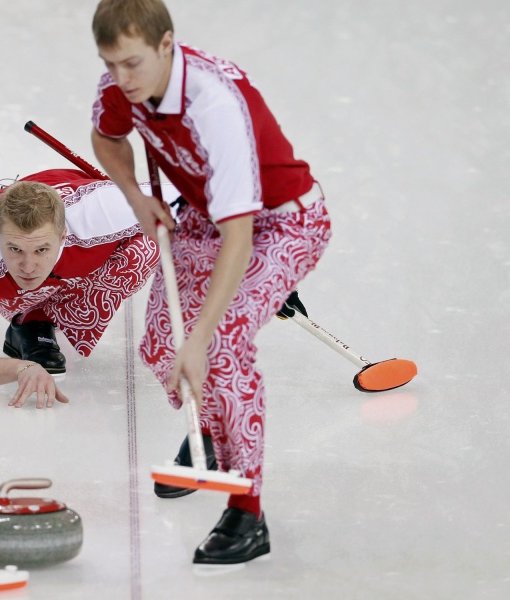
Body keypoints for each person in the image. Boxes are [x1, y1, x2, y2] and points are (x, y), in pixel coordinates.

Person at [90, 0, 332, 566]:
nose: (121, 79)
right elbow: (107, 138)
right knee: (160, 344)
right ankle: (215, 437)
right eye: (110, 64)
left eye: (132, 64)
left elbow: (241, 237)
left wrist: (202, 338)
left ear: (167, 44)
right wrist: (136, 194)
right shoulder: (117, 83)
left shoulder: (214, 105)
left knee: (217, 348)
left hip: (283, 220)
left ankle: (248, 516)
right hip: (202, 212)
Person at [0, 169, 162, 408]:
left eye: (41, 250)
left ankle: (39, 321)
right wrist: (20, 368)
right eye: (15, 249)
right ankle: (7, 304)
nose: (28, 266)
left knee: (149, 246)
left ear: (63, 235)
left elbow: (202, 204)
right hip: (0, 280)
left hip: (87, 223)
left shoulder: (103, 215)